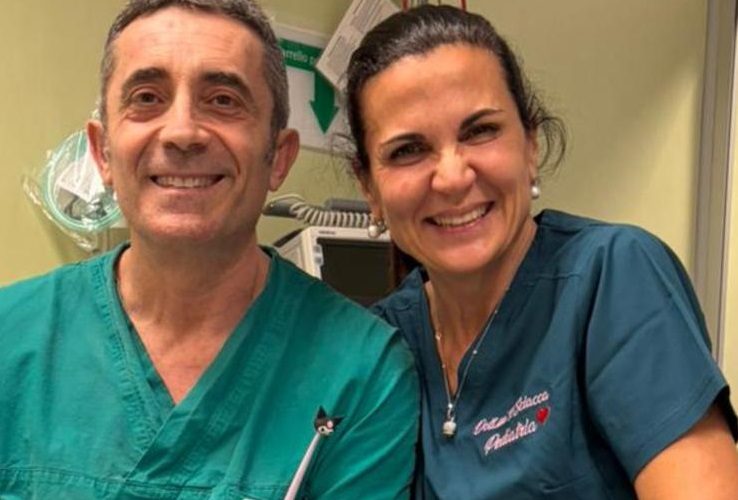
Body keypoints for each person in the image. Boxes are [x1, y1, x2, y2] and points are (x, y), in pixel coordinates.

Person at [0, 1, 419, 498]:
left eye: (223, 100)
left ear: (278, 157)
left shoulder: (361, 372)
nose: (182, 133)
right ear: (102, 152)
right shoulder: (11, 339)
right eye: (147, 98)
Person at [344, 5, 738, 499]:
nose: (452, 177)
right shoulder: (381, 344)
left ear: (530, 145)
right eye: (408, 150)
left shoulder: (611, 278)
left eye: (480, 131)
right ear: (369, 187)